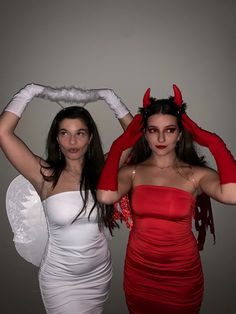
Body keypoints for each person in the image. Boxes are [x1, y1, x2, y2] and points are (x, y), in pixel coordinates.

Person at [97, 85, 236, 314]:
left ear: (180, 133)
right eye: (153, 130)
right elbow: (105, 195)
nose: (161, 138)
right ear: (145, 133)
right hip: (140, 275)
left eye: (170, 130)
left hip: (181, 277)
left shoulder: (196, 174)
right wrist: (119, 145)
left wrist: (213, 141)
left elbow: (233, 194)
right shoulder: (133, 172)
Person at [0, 83, 132, 314]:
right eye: (65, 133)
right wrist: (30, 91)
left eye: (80, 133)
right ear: (57, 139)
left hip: (99, 274)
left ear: (90, 138)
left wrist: (110, 97)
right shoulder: (44, 175)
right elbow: (3, 132)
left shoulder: (104, 171)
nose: (72, 142)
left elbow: (137, 135)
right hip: (61, 280)